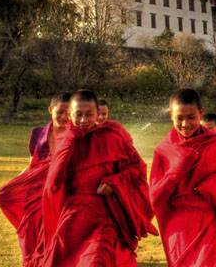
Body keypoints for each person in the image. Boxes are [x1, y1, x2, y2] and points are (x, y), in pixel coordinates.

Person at [34, 89, 157, 266]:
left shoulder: (112, 136)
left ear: (97, 113)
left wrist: (114, 181)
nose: (84, 120)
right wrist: (69, 141)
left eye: (89, 114)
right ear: (70, 114)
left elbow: (136, 168)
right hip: (74, 215)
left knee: (96, 260)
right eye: (79, 115)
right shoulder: (65, 140)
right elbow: (54, 183)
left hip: (104, 214)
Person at [150, 88, 216, 267]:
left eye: (191, 117)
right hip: (181, 228)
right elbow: (155, 195)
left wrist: (214, 185)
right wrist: (177, 170)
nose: (185, 123)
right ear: (171, 115)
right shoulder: (164, 151)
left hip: (213, 221)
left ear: (201, 113)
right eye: (179, 118)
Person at [0, 92, 70, 266]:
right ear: (50, 110)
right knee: (31, 227)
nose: (64, 116)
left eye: (68, 112)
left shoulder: (77, 135)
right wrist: (12, 186)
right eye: (60, 111)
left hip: (63, 191)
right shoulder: (39, 136)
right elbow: (33, 166)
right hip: (37, 192)